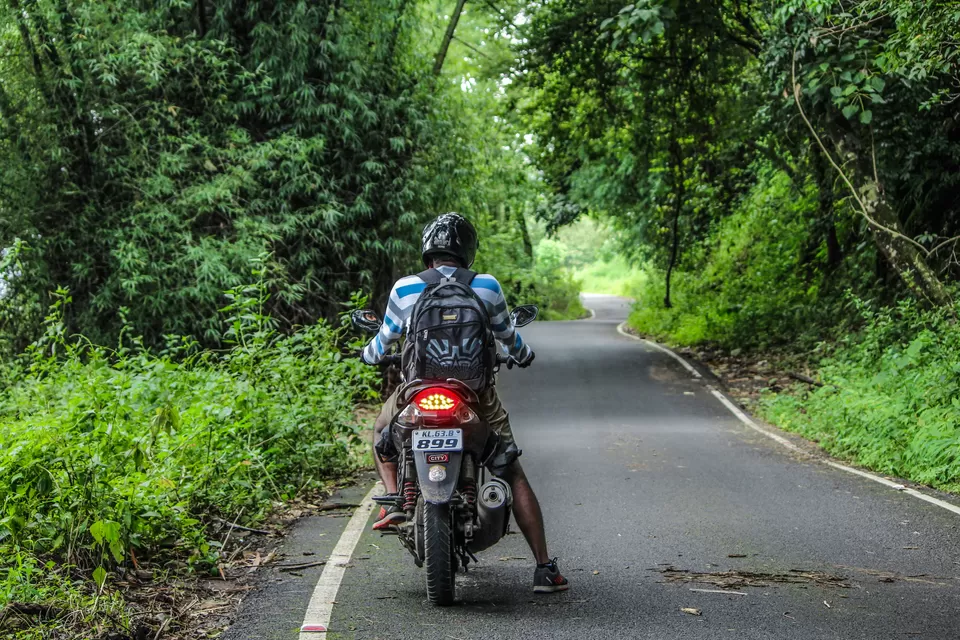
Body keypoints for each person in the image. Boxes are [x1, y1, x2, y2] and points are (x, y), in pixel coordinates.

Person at [360, 212, 569, 594]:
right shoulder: (486, 286)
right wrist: (523, 355)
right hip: (475, 394)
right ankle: (544, 568)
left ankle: (393, 500)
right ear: (468, 251)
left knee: (380, 434)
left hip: (417, 392)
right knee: (511, 470)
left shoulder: (405, 288)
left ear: (428, 251)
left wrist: (369, 354)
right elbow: (509, 337)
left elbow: (383, 342)